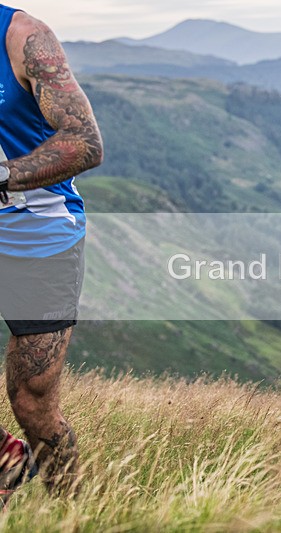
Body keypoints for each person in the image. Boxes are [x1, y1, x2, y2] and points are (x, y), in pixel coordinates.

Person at [0, 4, 103, 503]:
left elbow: (85, 143)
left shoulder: (24, 38)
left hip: (39, 238)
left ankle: (74, 511)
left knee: (32, 401)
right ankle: (6, 461)